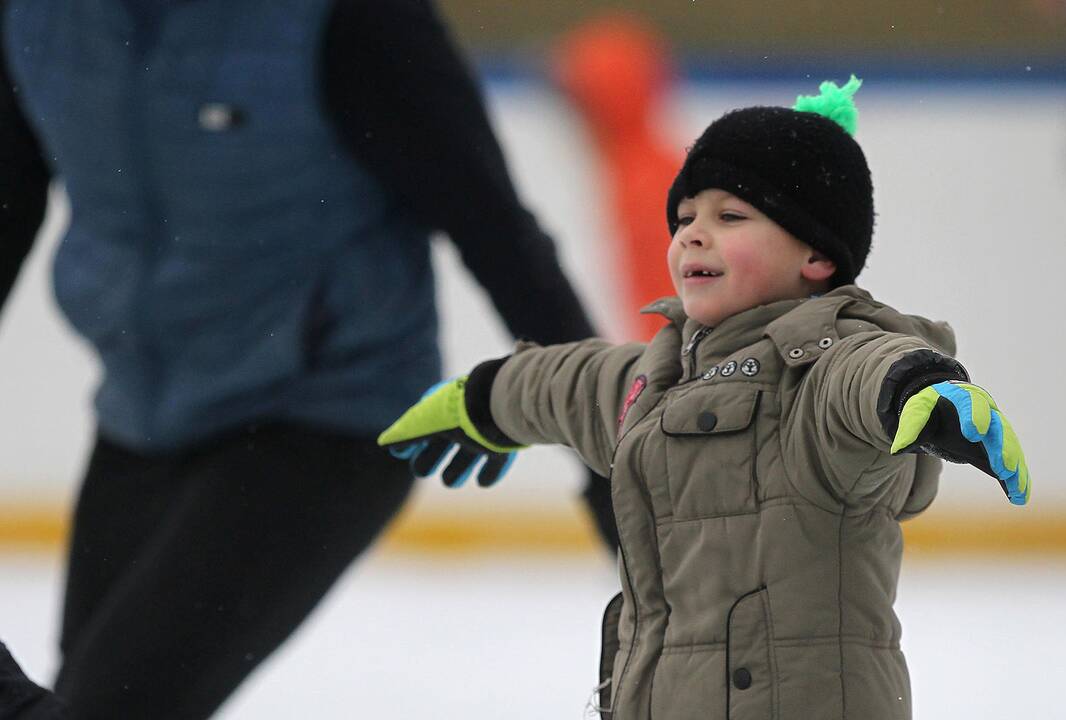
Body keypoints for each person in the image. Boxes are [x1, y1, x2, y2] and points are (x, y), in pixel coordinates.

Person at [0, 0, 618, 717]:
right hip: (144, 415)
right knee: (86, 698)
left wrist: (609, 459)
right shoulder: (41, 18)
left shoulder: (346, 17)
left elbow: (495, 230)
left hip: (327, 417)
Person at [378, 77, 1031, 719]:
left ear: (816, 255)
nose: (692, 233)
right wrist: (486, 399)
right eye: (685, 217)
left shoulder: (821, 367)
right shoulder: (659, 377)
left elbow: (864, 370)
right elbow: (572, 383)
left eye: (730, 217)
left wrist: (915, 389)